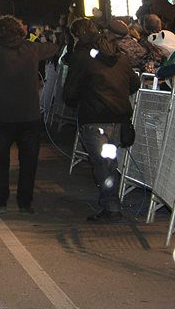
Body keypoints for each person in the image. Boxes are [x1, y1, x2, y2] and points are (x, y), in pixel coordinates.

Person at [63, 18, 137, 223]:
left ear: (77, 36)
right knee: (108, 163)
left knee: (104, 165)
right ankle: (110, 202)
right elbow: (134, 83)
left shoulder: (81, 57)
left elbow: (70, 90)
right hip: (118, 119)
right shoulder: (119, 56)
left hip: (95, 120)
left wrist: (75, 99)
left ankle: (111, 205)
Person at [0, 16, 60, 214]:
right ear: (20, 30)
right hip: (29, 115)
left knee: (0, 160)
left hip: (2, 115)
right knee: (28, 162)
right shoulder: (32, 48)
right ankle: (25, 203)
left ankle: (0, 201)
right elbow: (54, 48)